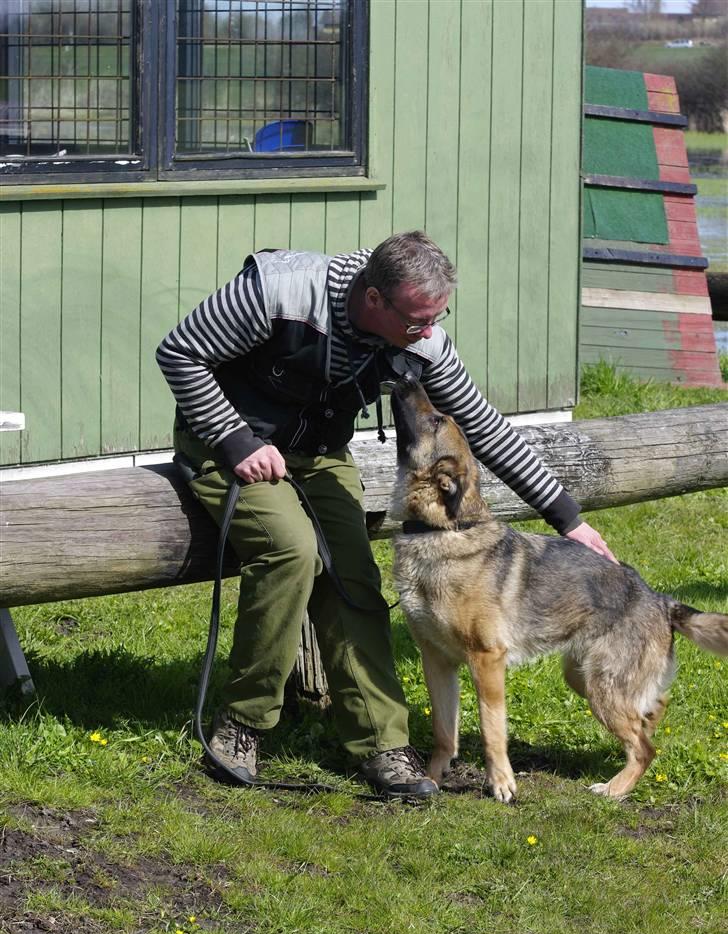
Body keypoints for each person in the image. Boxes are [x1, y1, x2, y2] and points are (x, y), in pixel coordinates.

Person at [157, 230, 616, 799]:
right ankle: (243, 723)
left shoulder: (422, 340)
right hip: (226, 443)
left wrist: (568, 517)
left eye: (437, 317)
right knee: (292, 551)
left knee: (354, 575)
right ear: (374, 298)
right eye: (418, 319)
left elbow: (483, 427)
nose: (428, 331)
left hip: (317, 454)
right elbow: (179, 351)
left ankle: (381, 742)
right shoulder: (279, 292)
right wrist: (235, 439)